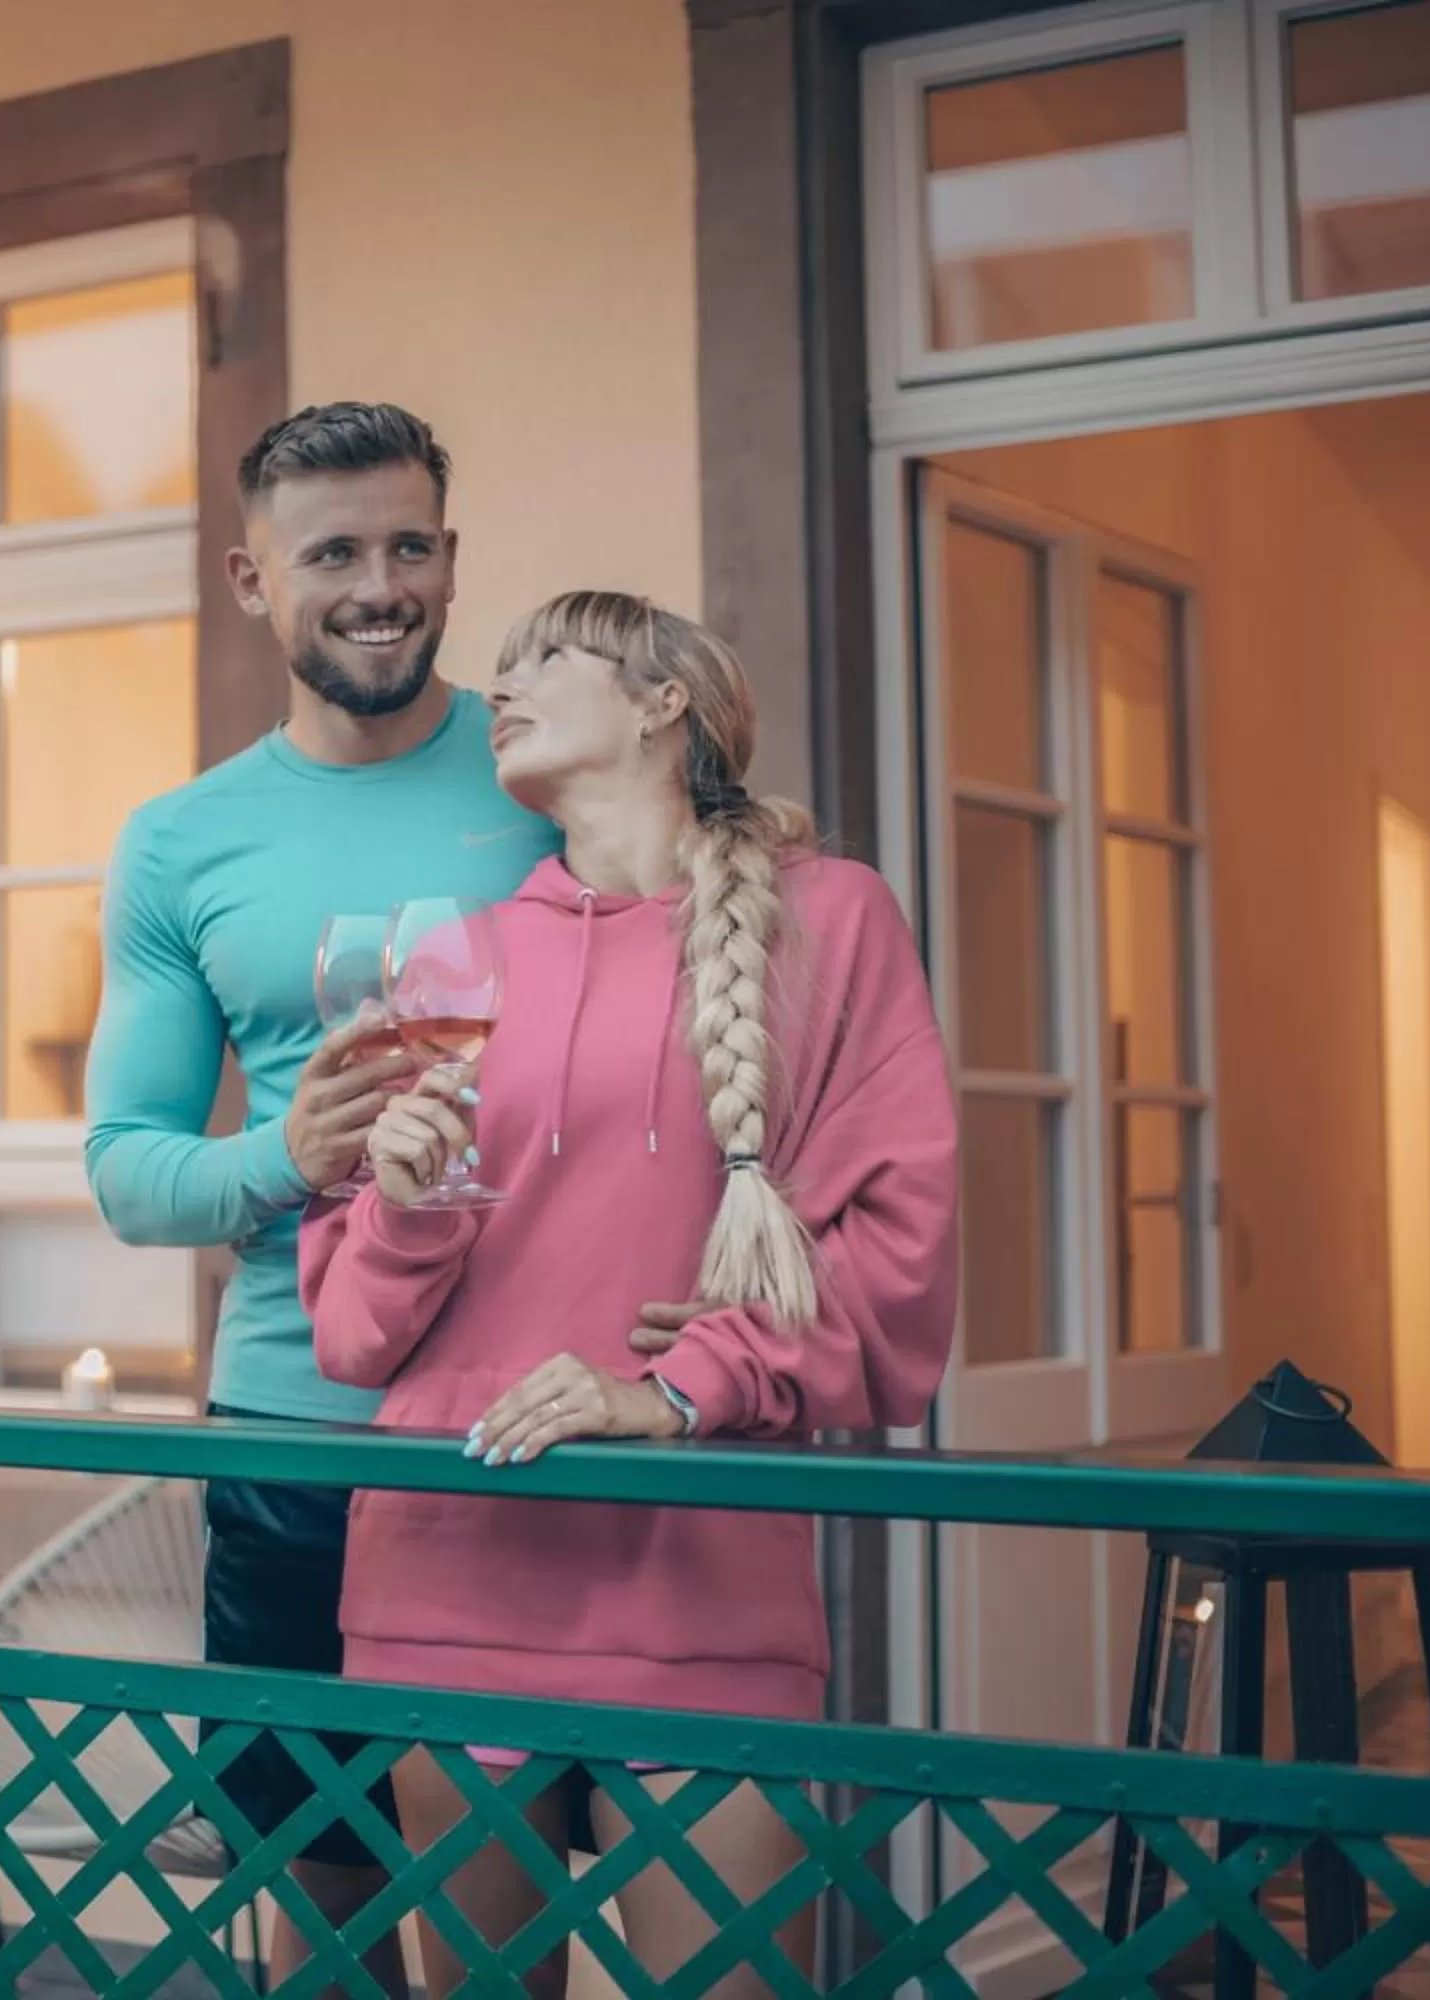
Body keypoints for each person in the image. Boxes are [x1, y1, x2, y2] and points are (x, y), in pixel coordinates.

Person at [301, 590, 959, 1998]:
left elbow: (900, 1254)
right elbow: (351, 1335)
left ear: (666, 702)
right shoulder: (450, 954)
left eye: (549, 656)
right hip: (449, 1560)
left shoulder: (829, 921)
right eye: (501, 666)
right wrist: (405, 1210)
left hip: (699, 1572)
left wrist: (679, 1387)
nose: (504, 684)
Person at [82, 403, 560, 1992]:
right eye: (334, 552)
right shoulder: (181, 844)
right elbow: (129, 1168)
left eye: (410, 546)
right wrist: (284, 1158)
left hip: (523, 1428)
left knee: (503, 1927)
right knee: (327, 1904)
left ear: (451, 560)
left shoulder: (547, 772)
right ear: (252, 579)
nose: (379, 586)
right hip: (294, 1436)